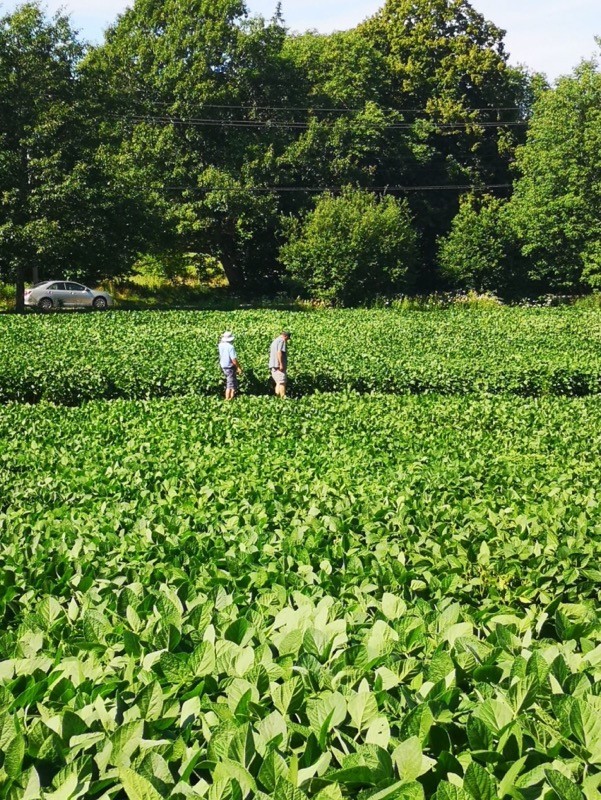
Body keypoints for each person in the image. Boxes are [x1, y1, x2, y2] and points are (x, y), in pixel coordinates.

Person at [218, 331, 242, 400]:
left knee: (232, 383)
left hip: (223, 366)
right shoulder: (230, 347)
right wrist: (239, 368)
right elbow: (233, 360)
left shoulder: (220, 345)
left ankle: (231, 398)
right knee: (230, 384)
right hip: (229, 367)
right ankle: (228, 399)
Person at [269, 330, 291, 397]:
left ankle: (277, 399)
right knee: (282, 382)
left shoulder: (275, 341)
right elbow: (279, 352)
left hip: (273, 364)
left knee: (278, 382)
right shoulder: (282, 341)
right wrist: (281, 364)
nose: (287, 340)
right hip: (278, 365)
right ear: (285, 336)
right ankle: (282, 397)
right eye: (287, 338)